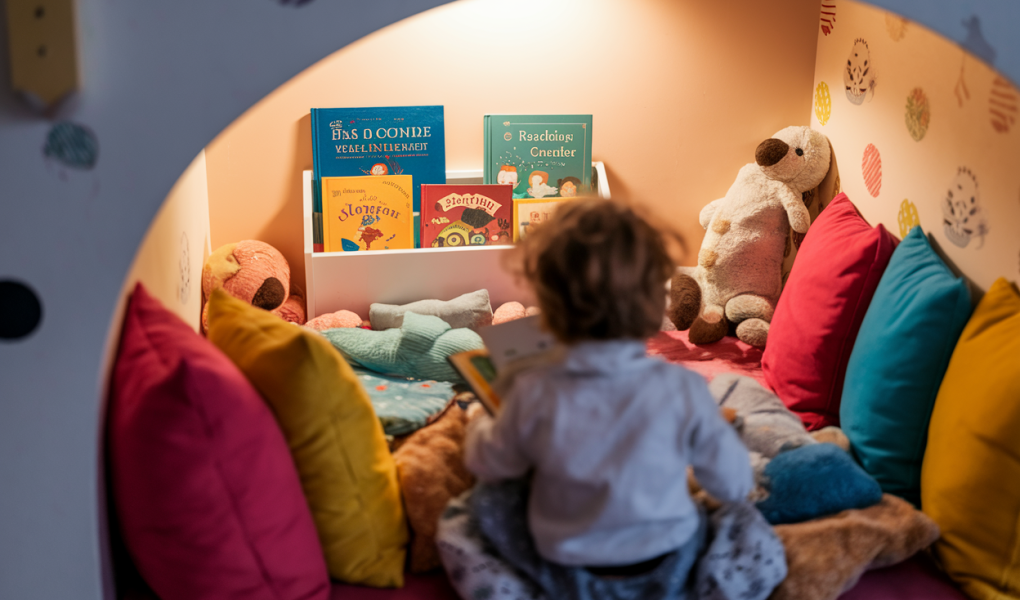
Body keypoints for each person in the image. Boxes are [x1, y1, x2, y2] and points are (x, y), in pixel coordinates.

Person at [462, 198, 754, 596]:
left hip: (566, 566)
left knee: (475, 506)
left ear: (546, 306)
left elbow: (489, 462)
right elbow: (732, 485)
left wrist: (481, 420)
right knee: (744, 521)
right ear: (655, 307)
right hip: (669, 559)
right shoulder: (683, 389)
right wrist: (722, 440)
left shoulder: (531, 386)